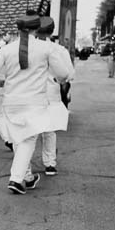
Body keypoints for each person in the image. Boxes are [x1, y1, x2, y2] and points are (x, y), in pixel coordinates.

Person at [0, 13, 75, 194]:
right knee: (28, 139)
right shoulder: (46, 49)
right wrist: (57, 79)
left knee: (19, 138)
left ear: (18, 29)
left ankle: (27, 177)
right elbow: (64, 74)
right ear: (36, 28)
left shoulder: (6, 49)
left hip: (10, 102)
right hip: (35, 102)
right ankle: (16, 179)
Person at [34, 17, 73, 175]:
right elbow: (68, 74)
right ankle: (50, 163)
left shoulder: (27, 48)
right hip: (51, 94)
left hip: (30, 93)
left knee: (29, 132)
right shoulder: (59, 50)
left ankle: (23, 167)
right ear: (52, 31)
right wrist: (58, 81)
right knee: (49, 131)